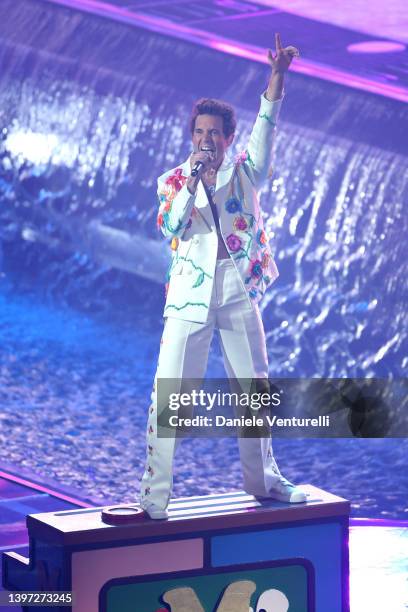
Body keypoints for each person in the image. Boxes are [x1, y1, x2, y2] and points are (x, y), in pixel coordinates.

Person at [140, 34, 306, 519]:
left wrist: (277, 78)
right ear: (192, 136)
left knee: (253, 389)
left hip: (237, 292)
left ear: (229, 138)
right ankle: (154, 497)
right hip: (189, 298)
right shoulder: (173, 180)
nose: (206, 139)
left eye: (215, 133)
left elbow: (267, 130)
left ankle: (264, 479)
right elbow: (171, 225)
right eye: (200, 132)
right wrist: (192, 180)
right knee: (168, 394)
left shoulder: (246, 171)